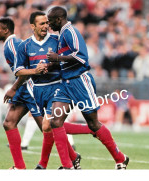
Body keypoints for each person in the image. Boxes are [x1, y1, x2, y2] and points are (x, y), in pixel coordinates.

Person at [46, 6, 129, 169]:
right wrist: (51, 65)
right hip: (66, 83)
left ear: (58, 19)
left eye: (50, 21)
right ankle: (69, 164)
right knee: (55, 121)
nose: (49, 25)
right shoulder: (61, 35)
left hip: (80, 81)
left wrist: (57, 58)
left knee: (93, 124)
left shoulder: (70, 32)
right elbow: (63, 60)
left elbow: (81, 56)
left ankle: (120, 158)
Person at [14, 11, 94, 170]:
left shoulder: (57, 40)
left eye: (46, 23)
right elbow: (19, 71)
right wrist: (34, 72)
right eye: (42, 23)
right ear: (33, 26)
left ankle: (63, 165)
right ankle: (73, 156)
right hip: (38, 90)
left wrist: (52, 64)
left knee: (48, 125)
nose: (46, 26)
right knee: (50, 127)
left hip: (58, 87)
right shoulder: (24, 45)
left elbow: (67, 60)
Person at [0, 17, 43, 169]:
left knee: (48, 128)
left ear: (6, 30)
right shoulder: (11, 44)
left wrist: (13, 88)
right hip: (23, 88)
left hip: (29, 88)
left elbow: (23, 70)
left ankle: (73, 158)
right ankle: (19, 167)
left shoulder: (12, 45)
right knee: (9, 123)